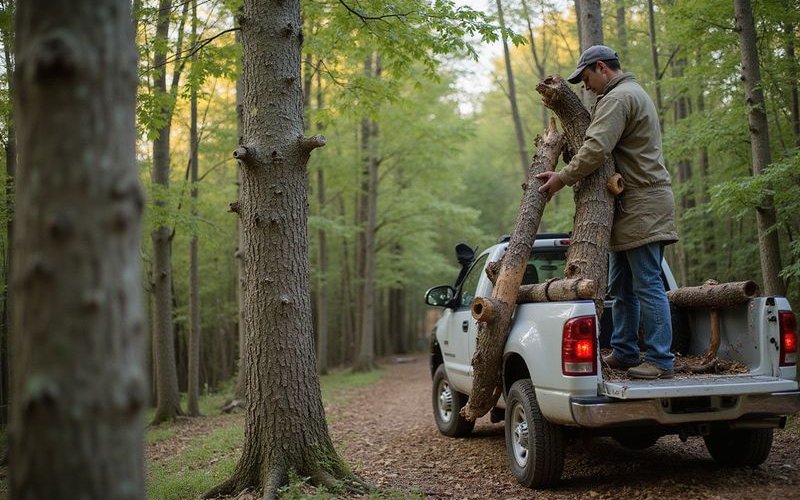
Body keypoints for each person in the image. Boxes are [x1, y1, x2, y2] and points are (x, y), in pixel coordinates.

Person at [536, 45, 679, 380]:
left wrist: (563, 177)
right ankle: (626, 351)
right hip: (631, 207)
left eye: (586, 78)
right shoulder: (626, 94)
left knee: (647, 282)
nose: (585, 87)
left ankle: (660, 360)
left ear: (601, 68)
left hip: (644, 203)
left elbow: (597, 147)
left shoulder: (619, 98)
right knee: (622, 285)